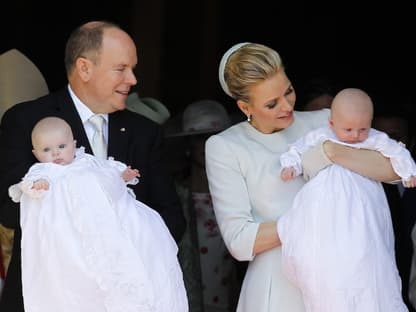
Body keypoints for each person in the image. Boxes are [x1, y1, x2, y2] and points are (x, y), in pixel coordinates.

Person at [0, 20, 185, 311]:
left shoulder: (145, 133)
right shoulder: (26, 121)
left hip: (130, 297)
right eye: (121, 69)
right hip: (50, 295)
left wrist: (129, 265)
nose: (134, 79)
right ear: (85, 68)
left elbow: (171, 217)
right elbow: (8, 210)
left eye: (133, 68)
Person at [205, 42, 401, 312]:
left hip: (342, 280)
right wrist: (308, 218)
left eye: (289, 91)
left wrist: (332, 151)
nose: (286, 106)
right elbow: (240, 241)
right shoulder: (226, 147)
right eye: (272, 103)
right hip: (279, 286)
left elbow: (394, 170)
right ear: (244, 106)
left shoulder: (323, 122)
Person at [8, 116, 188, 312]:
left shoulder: (86, 161)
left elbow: (108, 171)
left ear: (73, 144)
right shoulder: (44, 170)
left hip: (102, 224)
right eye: (46, 150)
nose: (55, 153)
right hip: (70, 230)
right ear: (36, 153)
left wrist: (123, 175)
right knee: (81, 279)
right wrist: (36, 185)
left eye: (61, 146)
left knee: (126, 257)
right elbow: (25, 187)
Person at [278, 88, 415, 312]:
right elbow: (298, 148)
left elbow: (395, 151)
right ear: (332, 122)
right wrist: (291, 165)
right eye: (348, 129)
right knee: (322, 255)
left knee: (366, 253)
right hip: (327, 203)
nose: (355, 136)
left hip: (363, 204)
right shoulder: (322, 135)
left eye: (362, 129)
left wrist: (408, 172)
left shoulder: (373, 138)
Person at [166, 100, 241, 312]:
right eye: (200, 138)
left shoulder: (241, 191)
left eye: (215, 137)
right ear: (189, 144)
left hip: (230, 294)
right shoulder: (174, 194)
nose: (208, 145)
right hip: (188, 296)